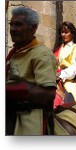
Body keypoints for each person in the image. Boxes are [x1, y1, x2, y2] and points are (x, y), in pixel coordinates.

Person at [6, 7, 57, 135]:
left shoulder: (42, 54)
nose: (12, 29)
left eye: (18, 24)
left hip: (27, 116)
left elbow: (48, 93)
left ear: (33, 28)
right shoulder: (13, 53)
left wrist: (10, 91)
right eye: (11, 24)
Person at [53, 21, 76, 103]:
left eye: (66, 32)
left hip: (68, 80)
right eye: (62, 32)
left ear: (72, 33)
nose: (63, 34)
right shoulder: (58, 48)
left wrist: (60, 75)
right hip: (52, 79)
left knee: (69, 100)